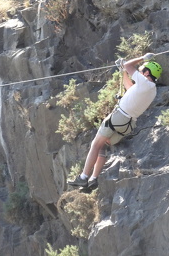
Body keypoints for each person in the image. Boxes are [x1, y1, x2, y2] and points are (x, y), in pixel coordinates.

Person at [67, 53, 163, 191]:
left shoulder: (144, 82)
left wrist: (143, 58)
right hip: (127, 124)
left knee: (95, 144)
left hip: (118, 117)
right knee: (102, 147)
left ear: (147, 72)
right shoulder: (151, 89)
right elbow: (129, 88)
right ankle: (93, 179)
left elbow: (128, 65)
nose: (140, 71)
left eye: (142, 70)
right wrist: (123, 71)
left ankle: (83, 178)